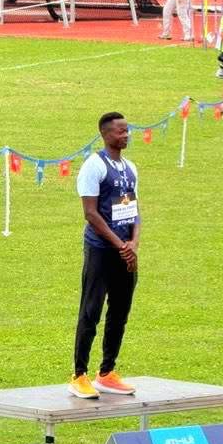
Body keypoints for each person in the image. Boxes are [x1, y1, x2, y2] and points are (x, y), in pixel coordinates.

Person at [69, 112, 141, 399]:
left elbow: (134, 211)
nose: (126, 135)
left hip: (126, 252)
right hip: (101, 251)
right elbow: (90, 213)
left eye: (127, 131)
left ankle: (107, 372)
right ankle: (78, 374)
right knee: (91, 311)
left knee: (120, 312)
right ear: (106, 134)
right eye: (121, 132)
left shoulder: (130, 168)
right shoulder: (93, 166)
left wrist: (133, 244)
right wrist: (120, 245)